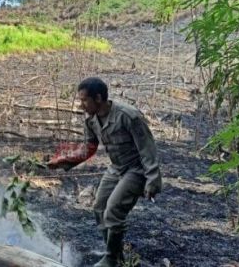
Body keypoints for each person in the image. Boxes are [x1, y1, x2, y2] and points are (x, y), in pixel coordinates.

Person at [47, 77, 162, 267]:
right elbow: (89, 148)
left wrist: (152, 180)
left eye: (84, 100)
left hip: (137, 169)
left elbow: (147, 149)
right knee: (99, 208)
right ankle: (117, 258)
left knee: (113, 211)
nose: (81, 105)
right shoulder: (91, 120)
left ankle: (110, 258)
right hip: (116, 168)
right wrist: (63, 161)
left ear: (98, 98)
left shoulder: (128, 116)